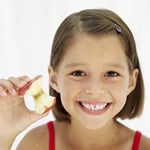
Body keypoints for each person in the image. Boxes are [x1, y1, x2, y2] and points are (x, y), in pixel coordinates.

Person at [0, 8, 150, 150]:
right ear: (54, 79)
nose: (94, 89)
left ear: (131, 81)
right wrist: (4, 136)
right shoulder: (36, 144)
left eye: (111, 73)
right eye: (78, 73)